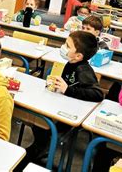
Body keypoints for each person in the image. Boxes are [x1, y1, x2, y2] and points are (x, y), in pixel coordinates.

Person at [19, 31, 104, 169]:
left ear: (78, 55)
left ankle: (38, 151)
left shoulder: (83, 70)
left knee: (45, 125)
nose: (63, 47)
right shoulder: (70, 63)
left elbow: (97, 94)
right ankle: (39, 149)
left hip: (71, 114)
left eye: (68, 45)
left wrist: (67, 90)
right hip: (61, 106)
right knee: (38, 120)